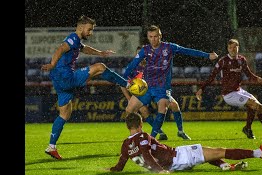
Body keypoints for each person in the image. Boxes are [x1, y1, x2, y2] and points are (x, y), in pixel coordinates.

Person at [41, 15, 130, 160]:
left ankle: (51, 146)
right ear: (81, 27)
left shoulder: (77, 41)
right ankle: (127, 84)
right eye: (89, 29)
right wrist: (51, 64)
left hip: (59, 81)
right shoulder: (73, 38)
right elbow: (60, 49)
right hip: (66, 77)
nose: (90, 33)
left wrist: (100, 53)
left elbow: (85, 49)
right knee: (100, 67)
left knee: (64, 114)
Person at [123, 25, 218, 139]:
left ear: (160, 36)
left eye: (156, 36)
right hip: (146, 87)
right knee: (129, 109)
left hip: (162, 87)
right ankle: (136, 135)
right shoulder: (145, 50)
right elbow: (131, 66)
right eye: (151, 37)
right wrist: (126, 79)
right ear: (148, 37)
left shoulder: (169, 47)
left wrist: (207, 55)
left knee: (163, 107)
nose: (153, 39)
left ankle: (152, 139)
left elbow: (187, 51)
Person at [105, 112, 262, 173]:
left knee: (208, 153)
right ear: (140, 125)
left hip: (174, 161)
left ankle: (222, 165)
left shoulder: (125, 145)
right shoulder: (143, 136)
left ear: (127, 127)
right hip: (178, 157)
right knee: (220, 150)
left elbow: (120, 165)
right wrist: (159, 171)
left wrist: (111, 169)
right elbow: (147, 154)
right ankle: (259, 153)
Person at [195, 39, 262, 139]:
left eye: (234, 47)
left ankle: (248, 128)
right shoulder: (223, 61)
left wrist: (258, 79)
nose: (232, 50)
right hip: (229, 95)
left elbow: (249, 75)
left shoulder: (241, 60)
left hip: (238, 91)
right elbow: (212, 76)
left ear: (238, 48)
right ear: (227, 49)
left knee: (260, 107)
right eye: (230, 48)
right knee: (255, 105)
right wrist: (201, 89)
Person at [121, 46, 191, 140]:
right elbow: (122, 84)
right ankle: (158, 133)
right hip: (142, 94)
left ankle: (181, 131)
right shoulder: (133, 68)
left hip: (157, 91)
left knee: (174, 105)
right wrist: (129, 99)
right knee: (143, 111)